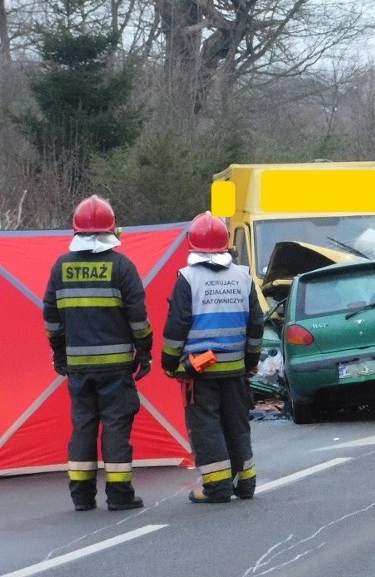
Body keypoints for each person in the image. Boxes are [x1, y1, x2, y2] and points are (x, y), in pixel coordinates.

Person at [43, 195, 152, 512]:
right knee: (116, 425)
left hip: (78, 368)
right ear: (112, 230)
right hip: (117, 368)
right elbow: (139, 321)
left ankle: (81, 496)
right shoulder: (122, 267)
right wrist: (143, 353)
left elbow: (51, 318)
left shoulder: (61, 268)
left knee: (83, 425)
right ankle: (119, 496)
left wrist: (60, 353)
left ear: (76, 231)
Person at [161, 212, 264, 503]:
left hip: (200, 371)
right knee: (237, 424)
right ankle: (245, 484)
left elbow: (176, 325)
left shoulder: (188, 278)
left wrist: (169, 363)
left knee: (206, 426)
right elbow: (256, 324)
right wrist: (251, 361)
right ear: (226, 245)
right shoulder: (243, 276)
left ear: (192, 246)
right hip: (236, 371)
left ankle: (217, 487)